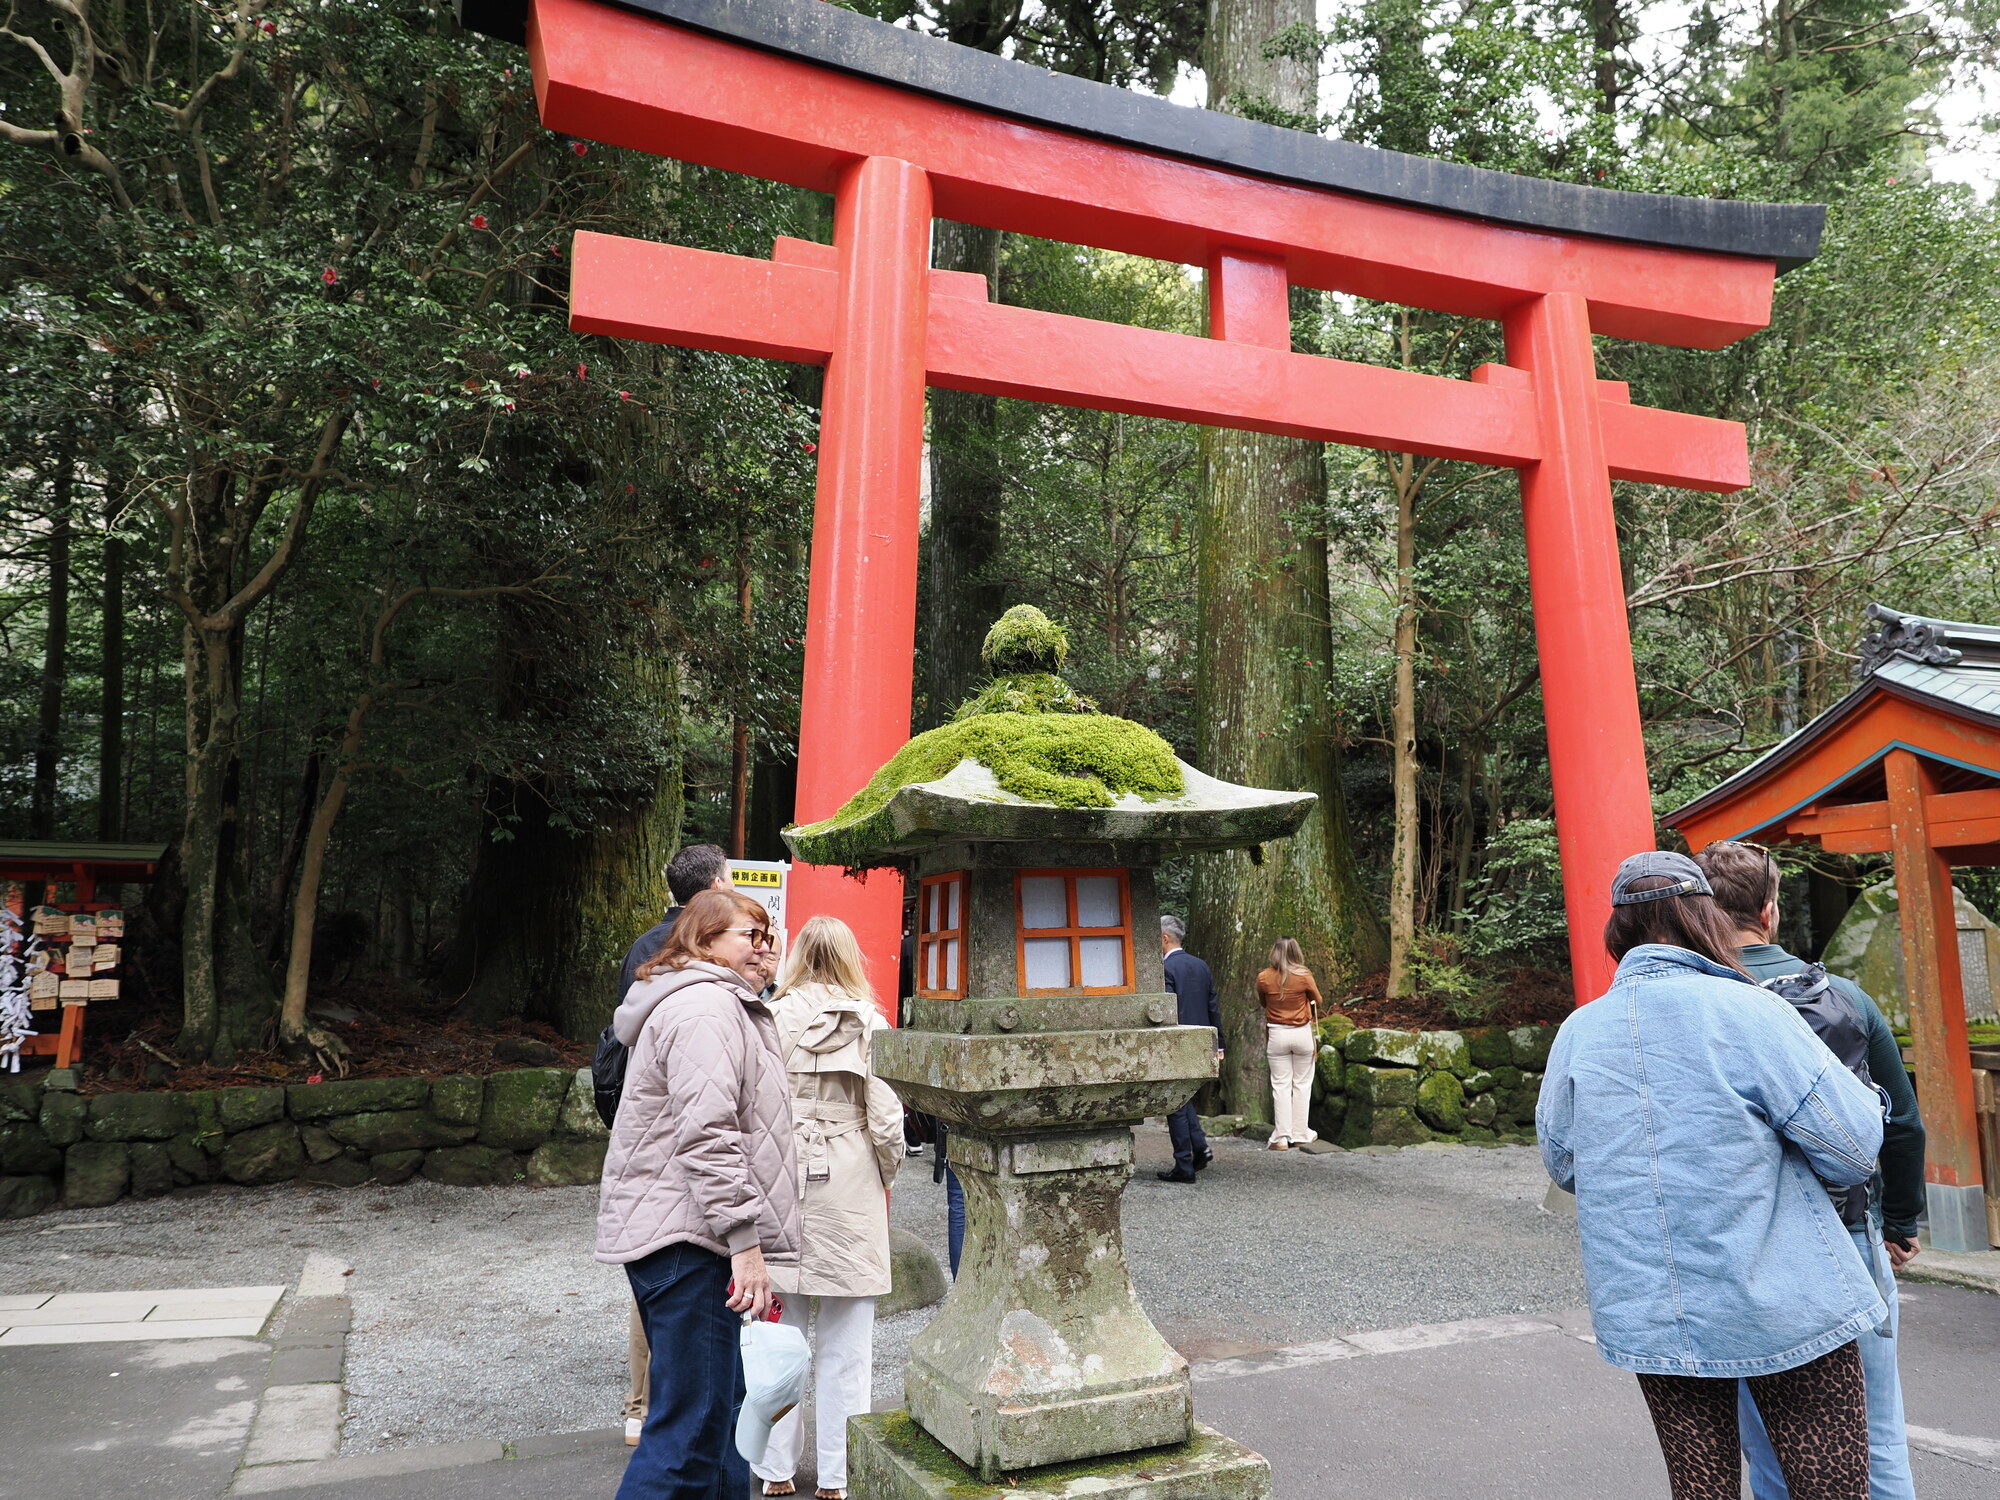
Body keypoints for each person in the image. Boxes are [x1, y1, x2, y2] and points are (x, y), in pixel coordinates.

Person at [1538, 851, 1889, 1500]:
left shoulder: (1580, 1033)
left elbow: (1564, 1162)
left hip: (1656, 1306)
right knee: (1831, 1488)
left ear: (1620, 932)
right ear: (1707, 919)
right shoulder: (1752, 1013)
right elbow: (1850, 1148)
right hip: (1786, 1300)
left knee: (1701, 1490)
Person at [1693, 841, 1926, 1500]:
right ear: (1769, 911)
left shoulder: (1701, 1009)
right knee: (1875, 1436)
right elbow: (1902, 1123)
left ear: (1702, 915)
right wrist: (1900, 1221)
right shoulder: (1844, 997)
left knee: (1768, 1443)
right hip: (1848, 1233)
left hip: (1745, 1250)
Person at [598, 889, 798, 1500]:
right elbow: (708, 1134)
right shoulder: (705, 1008)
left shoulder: (717, 1002)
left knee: (720, 1427)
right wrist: (746, 1244)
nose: (763, 947)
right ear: (704, 941)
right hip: (692, 1242)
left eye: (767, 936)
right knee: (690, 1434)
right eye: (749, 935)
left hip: (692, 1236)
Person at [753, 917, 904, 1500]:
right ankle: (839, 1478)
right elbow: (888, 1120)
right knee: (848, 1343)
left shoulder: (768, 1016)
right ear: (849, 958)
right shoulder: (870, 1023)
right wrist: (879, 1176)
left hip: (783, 1178)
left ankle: (775, 1470)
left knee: (778, 1333)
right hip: (849, 1175)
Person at [618, 843, 734, 1445]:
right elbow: (708, 1121)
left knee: (653, 1280)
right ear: (715, 888)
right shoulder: (703, 999)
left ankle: (640, 1405)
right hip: (676, 1144)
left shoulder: (644, 947)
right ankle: (652, 1409)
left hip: (644, 1134)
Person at [1158, 915, 1221, 1183]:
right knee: (1185, 1099)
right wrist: (1220, 1043)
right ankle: (1200, 1148)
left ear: (1164, 938)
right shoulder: (1201, 965)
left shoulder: (1165, 969)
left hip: (1176, 1040)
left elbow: (1167, 1010)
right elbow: (1212, 1006)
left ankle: (1184, 1164)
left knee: (1175, 1103)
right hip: (1202, 1039)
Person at [1255, 937, 1322, 1150]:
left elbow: (1263, 1002)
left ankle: (1281, 1138)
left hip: (1277, 1034)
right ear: (1296, 953)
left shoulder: (1264, 977)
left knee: (1281, 1085)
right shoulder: (1304, 975)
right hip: (1302, 1033)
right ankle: (1301, 1134)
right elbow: (1317, 1001)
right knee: (1302, 1085)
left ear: (1274, 952)